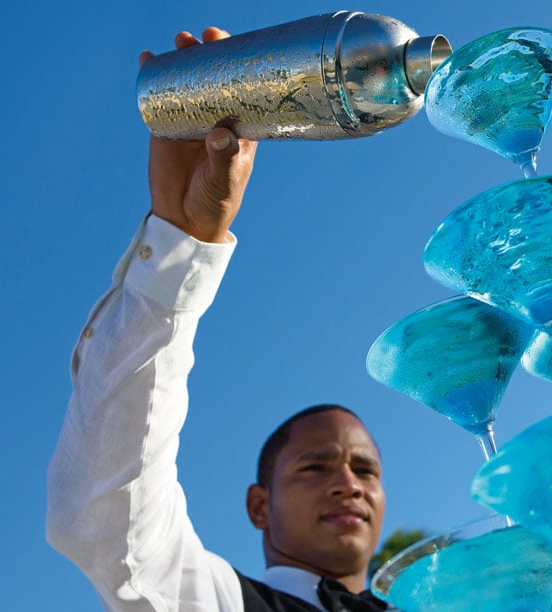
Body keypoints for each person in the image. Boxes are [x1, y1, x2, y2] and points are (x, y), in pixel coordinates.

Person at [47, 28, 387, 611]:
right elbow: (104, 519)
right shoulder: (217, 600)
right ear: (260, 506)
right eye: (314, 467)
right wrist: (182, 242)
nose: (348, 484)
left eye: (364, 469)